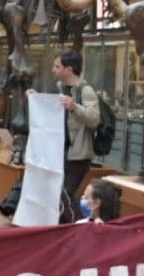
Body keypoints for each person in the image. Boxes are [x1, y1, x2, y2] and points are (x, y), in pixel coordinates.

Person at [25, 49, 102, 222]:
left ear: (69, 69)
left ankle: (79, 225)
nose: (53, 69)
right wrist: (37, 99)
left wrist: (75, 107)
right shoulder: (60, 88)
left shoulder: (85, 90)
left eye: (57, 66)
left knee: (63, 192)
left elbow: (94, 119)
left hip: (78, 154)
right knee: (56, 193)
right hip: (60, 152)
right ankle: (68, 227)